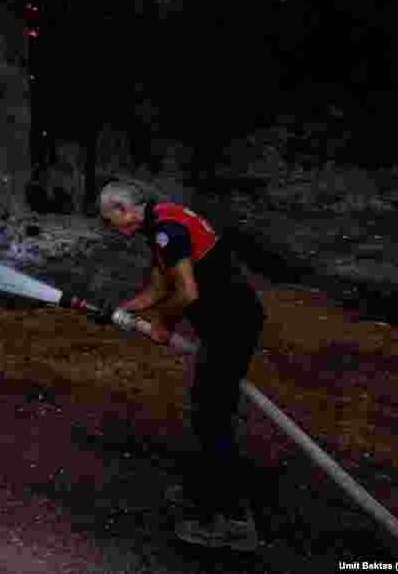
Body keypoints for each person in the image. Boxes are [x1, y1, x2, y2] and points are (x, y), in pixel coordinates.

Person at [97, 179, 266, 552]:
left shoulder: (167, 231)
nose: (111, 228)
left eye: (110, 220)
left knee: (212, 419)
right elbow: (158, 288)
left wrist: (163, 326)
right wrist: (124, 310)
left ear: (125, 210)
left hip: (231, 329)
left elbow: (187, 292)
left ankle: (234, 523)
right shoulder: (161, 221)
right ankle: (203, 489)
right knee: (208, 411)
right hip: (226, 325)